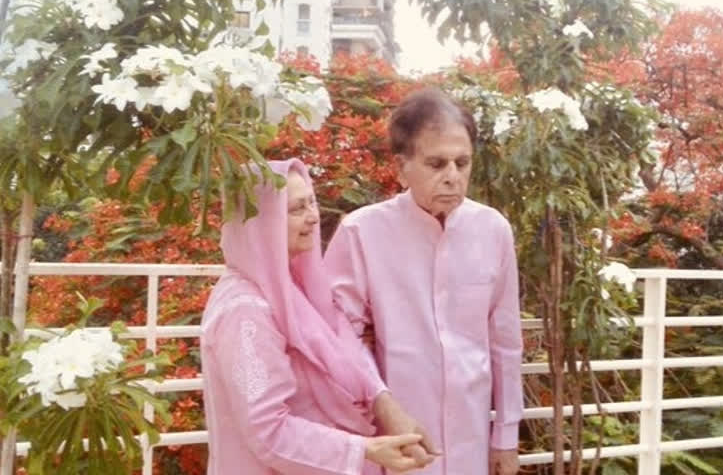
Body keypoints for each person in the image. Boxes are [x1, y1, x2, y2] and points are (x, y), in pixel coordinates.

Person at [324, 88, 524, 475]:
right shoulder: (362, 232)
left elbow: (505, 341)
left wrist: (506, 436)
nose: (453, 177)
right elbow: (338, 336)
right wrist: (383, 404)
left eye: (462, 163)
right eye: (436, 164)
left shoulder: (493, 230)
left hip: (473, 439)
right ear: (402, 168)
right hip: (394, 437)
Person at [201, 158, 436, 475]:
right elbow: (267, 432)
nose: (313, 218)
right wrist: (364, 449)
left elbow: (348, 350)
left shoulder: (299, 293)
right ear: (261, 221)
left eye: (312, 203)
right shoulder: (245, 310)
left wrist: (386, 408)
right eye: (297, 209)